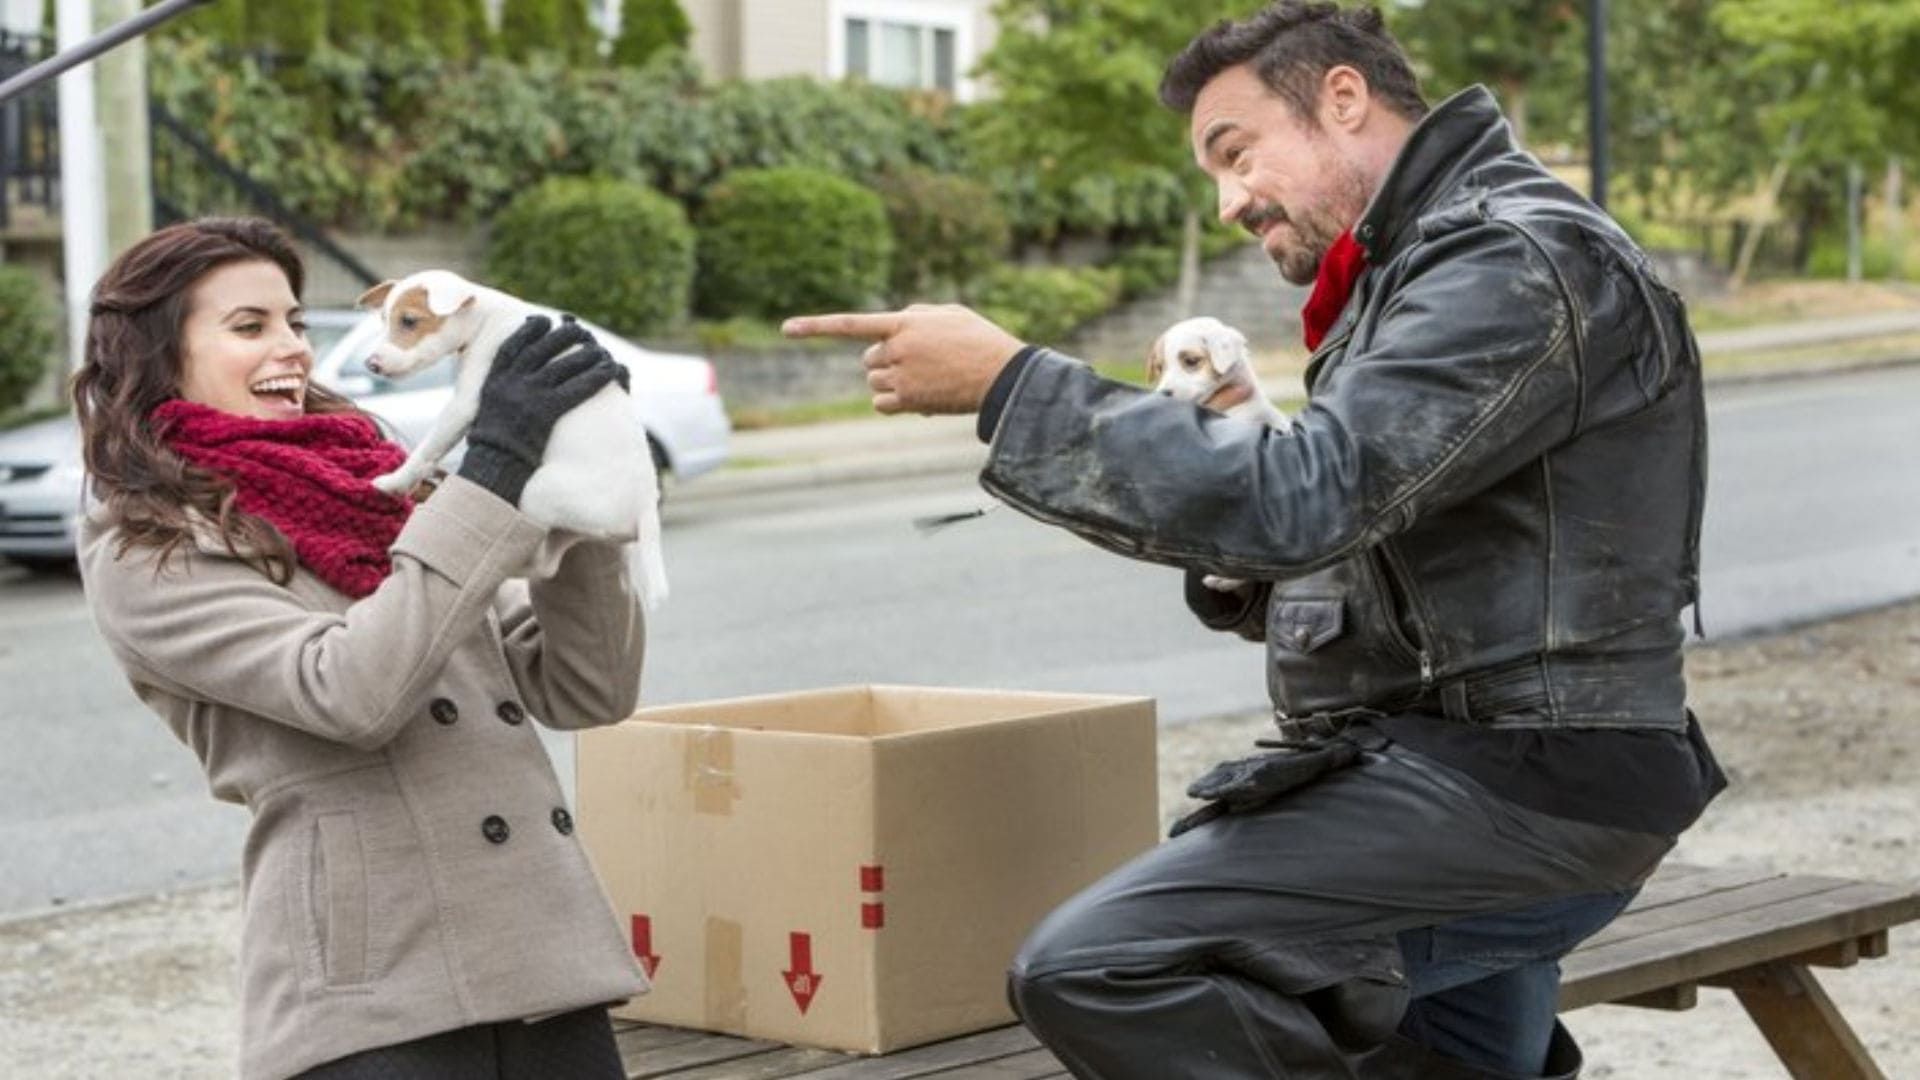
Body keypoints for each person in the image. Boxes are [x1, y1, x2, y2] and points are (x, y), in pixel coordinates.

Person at [784, 4, 1726, 1077]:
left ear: (1341, 97)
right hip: (1459, 766)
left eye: (1236, 154)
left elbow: (1313, 497)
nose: (1230, 201)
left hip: (1520, 779)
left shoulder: (1508, 254)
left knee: (1096, 967)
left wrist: (1012, 383)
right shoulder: (1421, 265)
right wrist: (1235, 482)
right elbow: (1365, 547)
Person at [72, 217, 649, 1080]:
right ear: (159, 358)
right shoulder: (147, 541)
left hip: (540, 956)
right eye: (250, 326)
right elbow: (350, 691)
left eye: (296, 322)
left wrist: (582, 491)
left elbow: (585, 689)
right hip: (375, 992)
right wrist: (490, 476)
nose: (294, 349)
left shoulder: (377, 481)